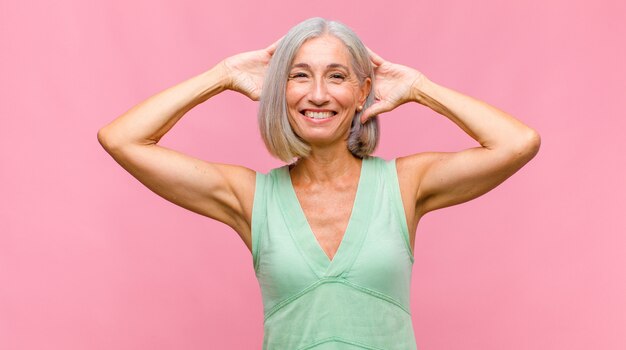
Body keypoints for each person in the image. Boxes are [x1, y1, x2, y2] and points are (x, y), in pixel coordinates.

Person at [98, 17, 540, 350]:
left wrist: (418, 88)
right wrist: (223, 74)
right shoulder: (251, 197)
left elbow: (517, 143)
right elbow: (122, 139)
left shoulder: (405, 184)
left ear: (363, 90)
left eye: (336, 76)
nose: (318, 95)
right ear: (280, 90)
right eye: (299, 75)